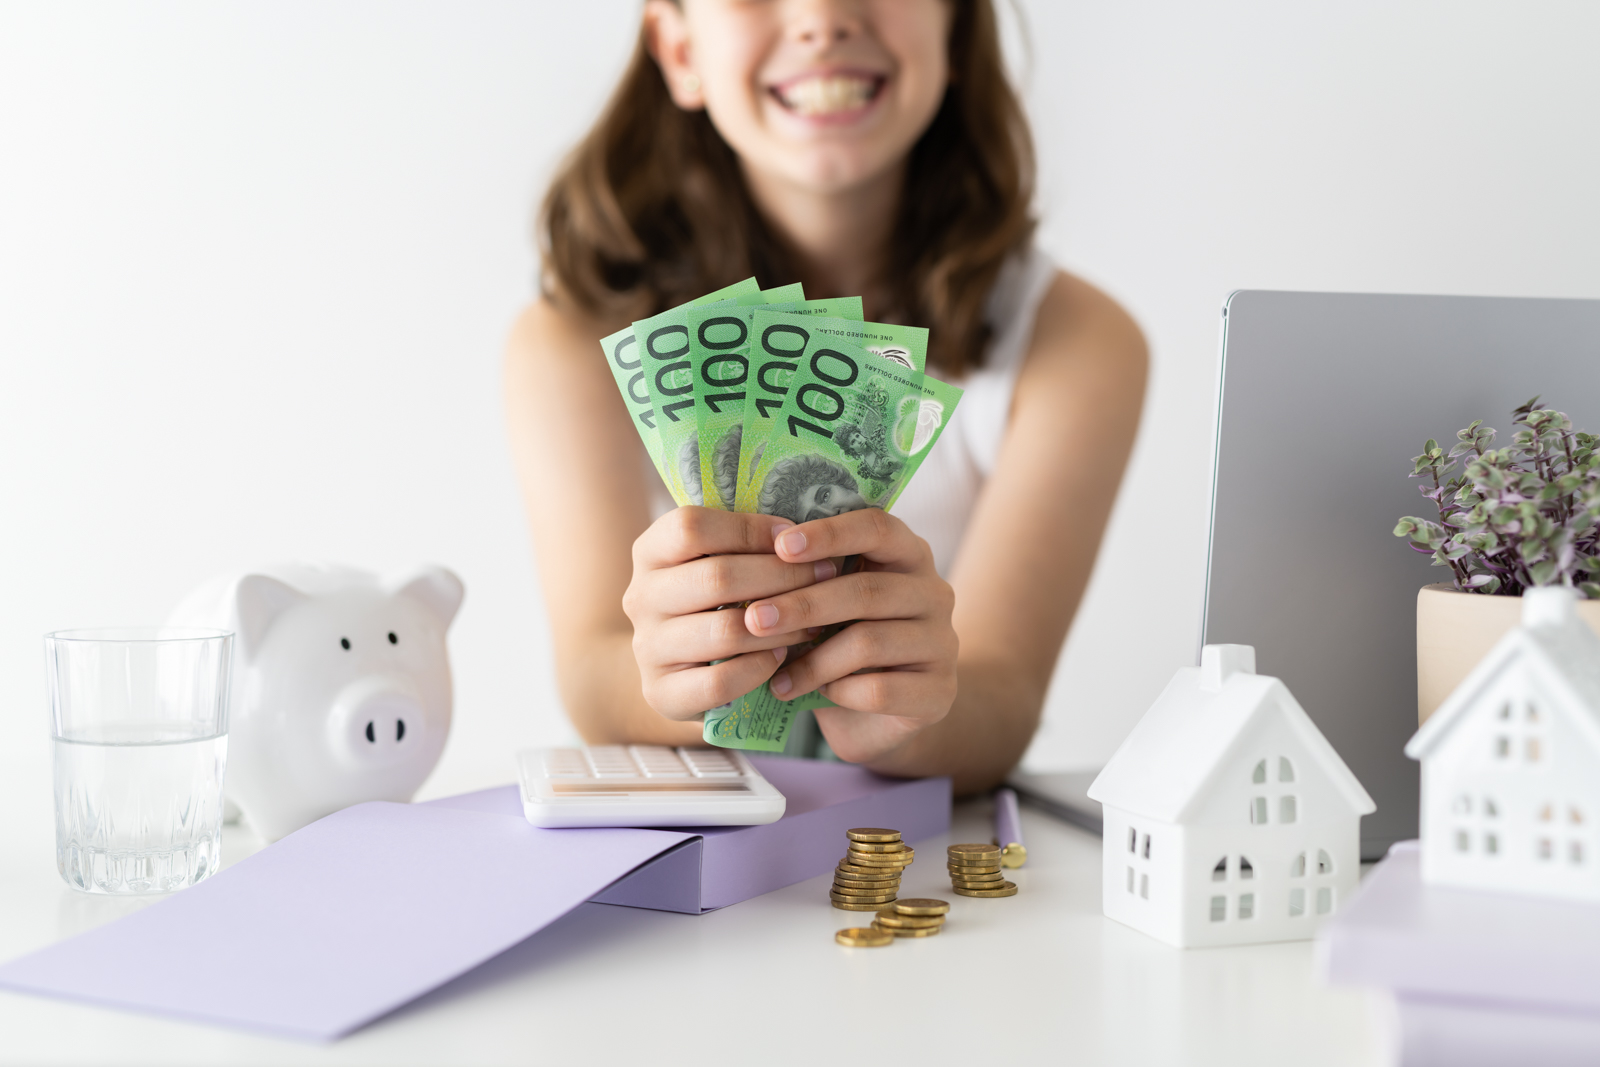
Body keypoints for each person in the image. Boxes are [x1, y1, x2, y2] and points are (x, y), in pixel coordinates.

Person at [504, 0, 1146, 794]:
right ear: (679, 48)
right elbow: (590, 666)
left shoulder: (1078, 343)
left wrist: (915, 709)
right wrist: (663, 674)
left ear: (957, 30)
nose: (822, 17)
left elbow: (1004, 698)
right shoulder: (568, 343)